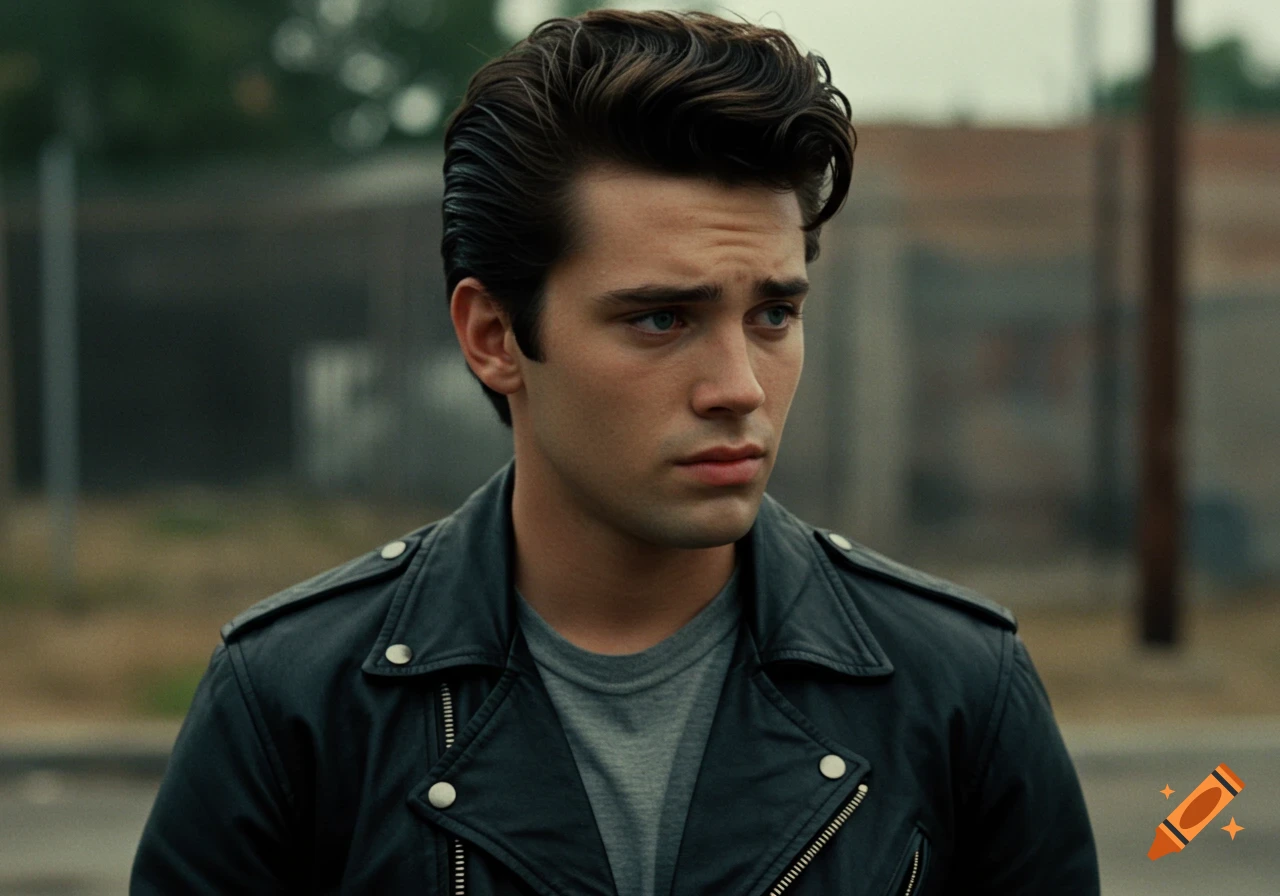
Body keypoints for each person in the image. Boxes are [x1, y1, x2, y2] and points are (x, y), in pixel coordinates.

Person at [131, 9, 1099, 895]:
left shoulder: (959, 694)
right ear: (494, 336)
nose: (739, 384)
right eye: (660, 317)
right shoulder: (294, 708)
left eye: (771, 311)